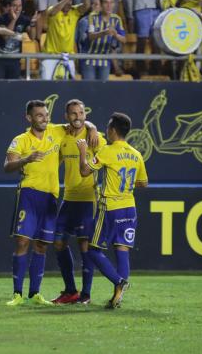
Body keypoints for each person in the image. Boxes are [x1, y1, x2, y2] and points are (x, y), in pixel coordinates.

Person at [4, 99, 98, 306]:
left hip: (51, 197)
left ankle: (35, 293)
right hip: (29, 193)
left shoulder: (56, 131)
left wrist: (92, 127)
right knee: (22, 242)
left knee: (42, 245)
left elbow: (79, 121)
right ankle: (17, 294)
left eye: (46, 115)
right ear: (29, 118)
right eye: (39, 115)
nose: (45, 119)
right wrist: (25, 160)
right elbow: (8, 165)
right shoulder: (20, 140)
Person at [76, 112, 148, 309]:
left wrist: (83, 150)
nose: (106, 131)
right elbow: (143, 183)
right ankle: (118, 297)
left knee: (93, 250)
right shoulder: (136, 154)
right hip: (129, 208)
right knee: (122, 249)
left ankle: (118, 282)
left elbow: (84, 171)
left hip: (110, 208)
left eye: (108, 128)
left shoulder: (108, 151)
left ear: (113, 130)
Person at [51, 99, 107, 305]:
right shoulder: (62, 137)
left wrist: (92, 127)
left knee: (84, 245)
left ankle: (86, 294)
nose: (78, 117)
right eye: (73, 114)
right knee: (58, 242)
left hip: (87, 198)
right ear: (67, 117)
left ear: (85, 114)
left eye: (81, 113)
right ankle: (70, 291)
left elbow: (108, 159)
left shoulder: (95, 138)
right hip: (68, 198)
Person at [42, 0, 91, 80]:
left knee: (68, 88)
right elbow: (52, 12)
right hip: (50, 57)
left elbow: (86, 6)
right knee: (46, 86)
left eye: (70, 0)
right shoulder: (53, 11)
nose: (69, 2)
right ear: (59, 1)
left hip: (68, 56)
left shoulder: (74, 12)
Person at [0, 0, 37, 79]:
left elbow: (33, 37)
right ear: (8, 7)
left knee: (12, 89)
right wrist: (14, 20)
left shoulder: (24, 19)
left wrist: (33, 24)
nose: (17, 9)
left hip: (15, 61)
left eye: (20, 6)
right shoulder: (0, 19)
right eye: (14, 6)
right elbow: (6, 36)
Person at [84, 0, 126, 80]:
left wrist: (115, 34)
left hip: (105, 60)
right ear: (101, 4)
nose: (109, 5)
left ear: (114, 4)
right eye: (106, 2)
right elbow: (90, 36)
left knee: (102, 89)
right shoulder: (93, 16)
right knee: (88, 88)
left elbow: (124, 40)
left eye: (111, 2)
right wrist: (104, 32)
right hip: (89, 58)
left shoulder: (117, 19)